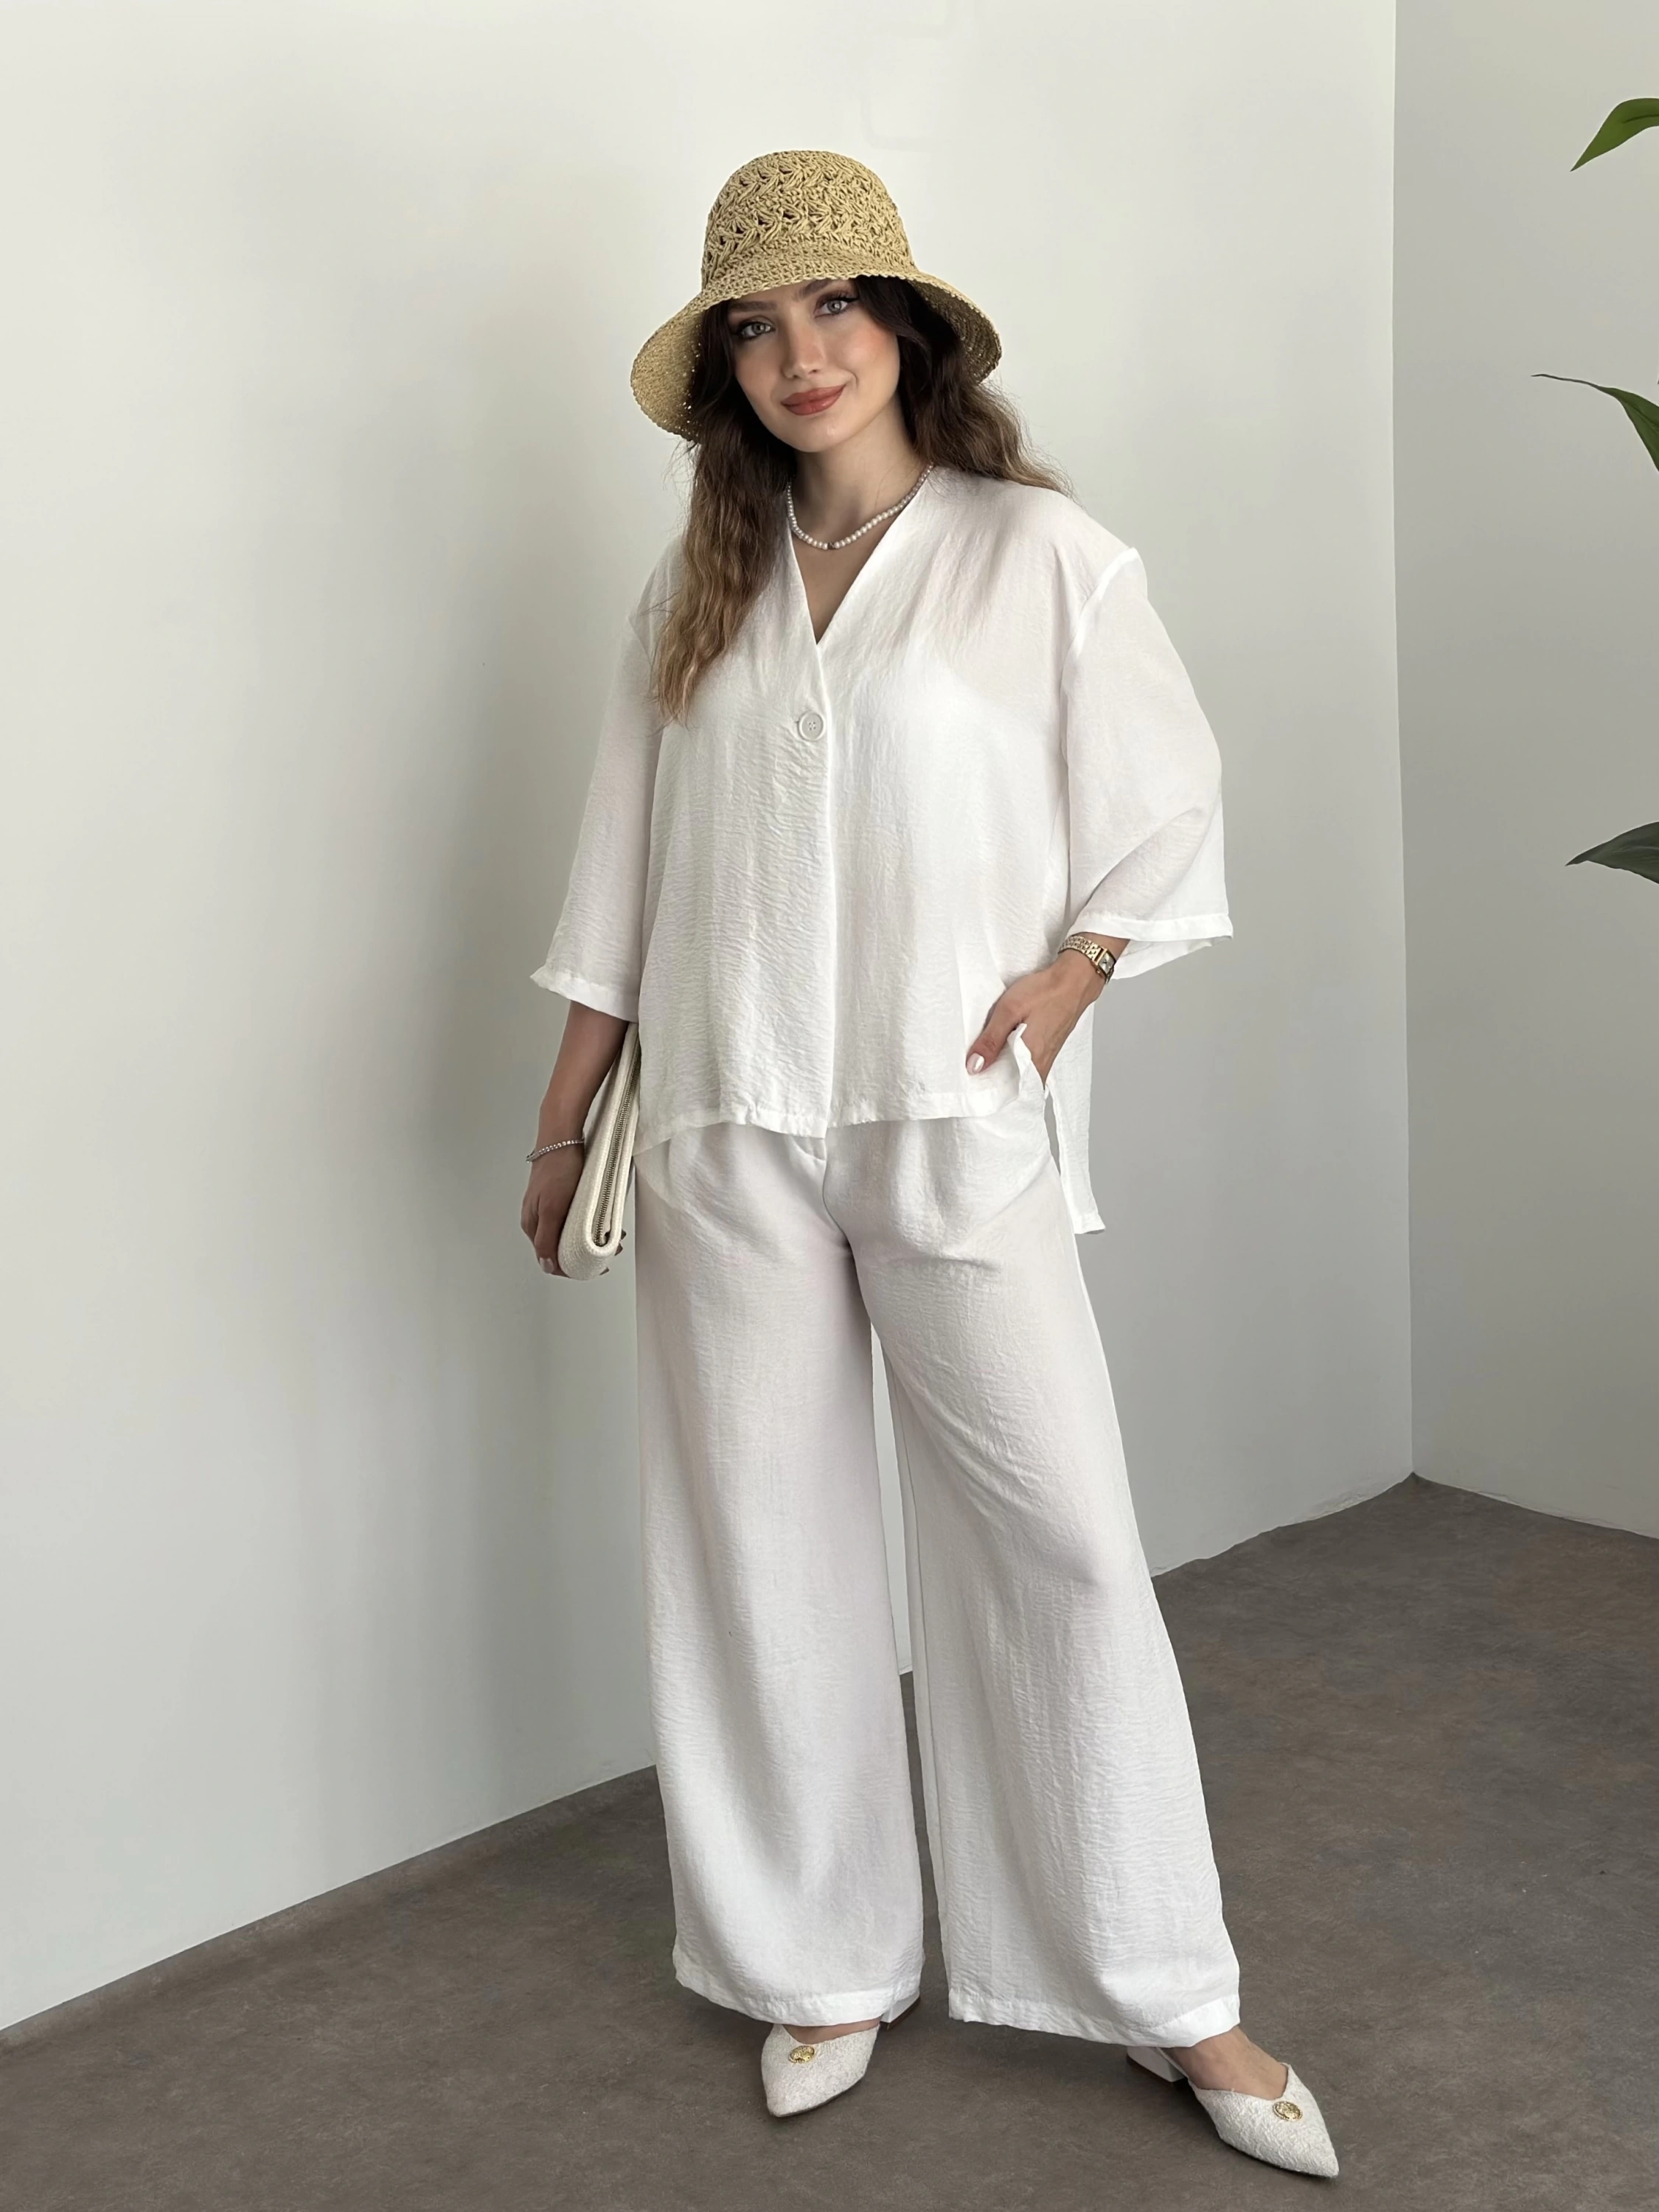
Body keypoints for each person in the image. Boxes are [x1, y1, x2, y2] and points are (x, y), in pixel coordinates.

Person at [521, 149, 1338, 2180]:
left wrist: (1079, 972)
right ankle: (819, 1960)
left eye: (833, 306)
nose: (799, 353)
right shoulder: (692, 593)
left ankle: (1172, 1992)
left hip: (952, 1116)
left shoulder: (1036, 556)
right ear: (727, 369)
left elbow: (1164, 802)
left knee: (1063, 1545)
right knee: (760, 1557)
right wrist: (563, 1117)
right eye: (755, 326)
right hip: (725, 1130)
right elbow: (621, 876)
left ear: (904, 327)